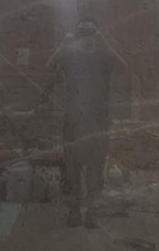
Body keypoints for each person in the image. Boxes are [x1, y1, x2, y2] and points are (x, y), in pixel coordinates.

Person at [47, 18, 124, 228]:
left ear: (97, 35)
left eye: (91, 33)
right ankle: (74, 211)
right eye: (82, 32)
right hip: (73, 122)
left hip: (98, 122)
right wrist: (63, 44)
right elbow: (50, 65)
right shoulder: (71, 57)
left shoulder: (102, 57)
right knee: (72, 169)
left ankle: (92, 212)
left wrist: (104, 42)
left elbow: (123, 67)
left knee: (95, 169)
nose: (86, 37)